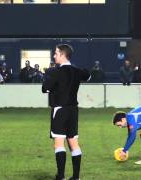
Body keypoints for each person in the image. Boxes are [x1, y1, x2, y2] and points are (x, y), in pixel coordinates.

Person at [42, 44, 91, 180]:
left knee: (59, 142)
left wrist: (48, 77)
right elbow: (88, 75)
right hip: (73, 110)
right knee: (73, 142)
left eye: (56, 53)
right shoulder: (77, 71)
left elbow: (45, 88)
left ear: (63, 55)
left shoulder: (55, 72)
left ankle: (61, 176)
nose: (54, 55)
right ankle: (76, 177)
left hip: (60, 109)